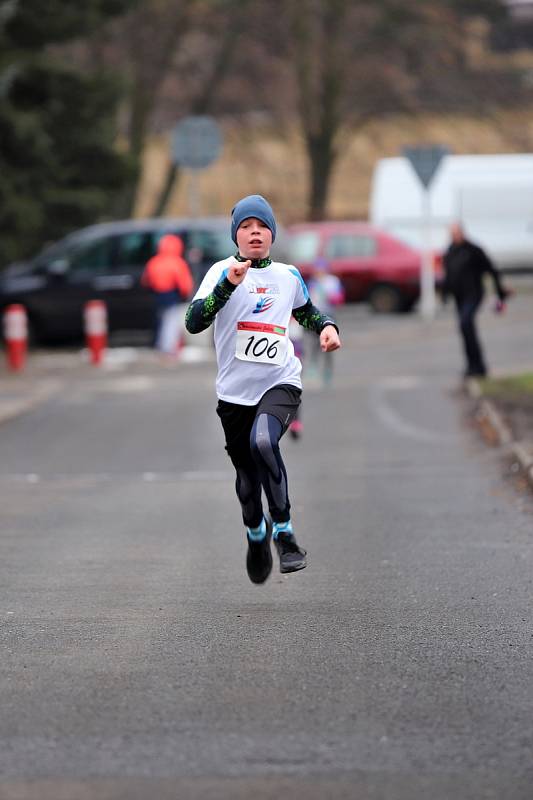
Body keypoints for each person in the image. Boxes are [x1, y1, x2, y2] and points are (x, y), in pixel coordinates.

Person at [185, 195, 341, 584]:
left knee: (263, 443)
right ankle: (256, 535)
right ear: (235, 235)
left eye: (262, 226)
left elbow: (307, 310)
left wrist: (327, 326)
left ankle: (284, 533)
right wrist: (227, 286)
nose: (255, 232)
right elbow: (193, 321)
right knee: (247, 480)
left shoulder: (287, 276)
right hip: (235, 395)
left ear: (271, 233)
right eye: (246, 226)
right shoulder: (221, 271)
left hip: (280, 382)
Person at [442, 222, 511, 378]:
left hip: (473, 294)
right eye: (451, 233)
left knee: (465, 323)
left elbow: (492, 270)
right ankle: (473, 366)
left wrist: (500, 293)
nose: (454, 236)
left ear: (462, 232)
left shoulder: (473, 250)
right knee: (466, 329)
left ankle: (478, 365)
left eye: (456, 232)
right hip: (459, 297)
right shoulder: (449, 252)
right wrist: (445, 295)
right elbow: (448, 275)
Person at [142, 234, 194, 358]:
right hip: (172, 295)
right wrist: (186, 294)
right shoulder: (177, 262)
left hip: (157, 295)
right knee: (171, 321)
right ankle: (169, 348)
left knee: (160, 320)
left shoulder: (154, 262)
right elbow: (185, 283)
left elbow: (146, 281)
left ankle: (160, 345)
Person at [305, 259, 345, 386]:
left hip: (329, 316)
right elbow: (306, 299)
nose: (319, 273)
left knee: (329, 344)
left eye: (321, 270)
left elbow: (339, 298)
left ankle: (327, 370)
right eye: (317, 271)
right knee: (314, 343)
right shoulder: (312, 283)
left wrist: (333, 298)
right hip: (315, 317)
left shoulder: (332, 281)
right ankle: (313, 367)